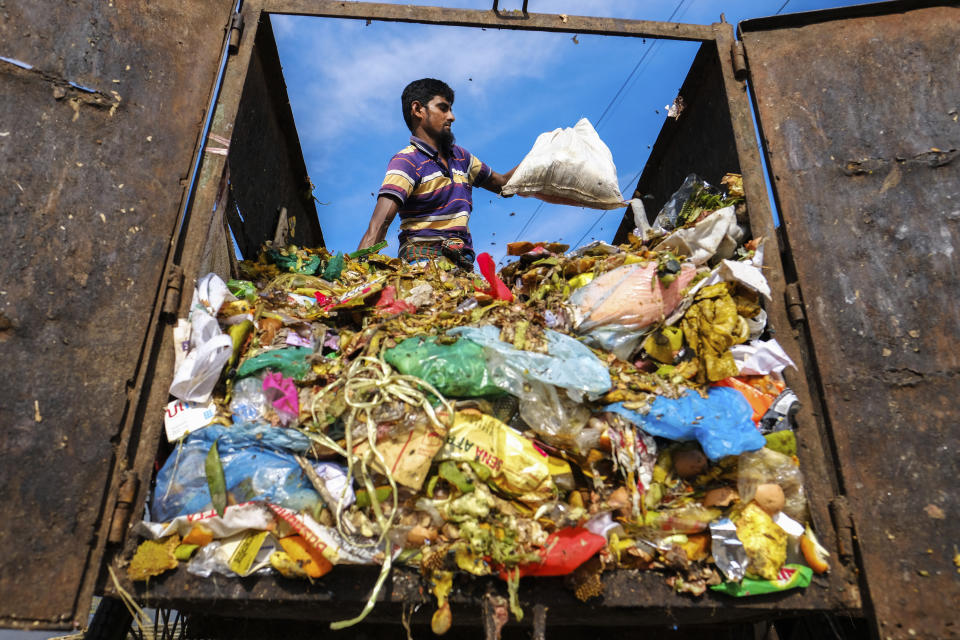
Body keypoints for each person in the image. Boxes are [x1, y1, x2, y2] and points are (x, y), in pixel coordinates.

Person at [357, 78, 517, 268]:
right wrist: (356, 272)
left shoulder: (461, 158)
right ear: (418, 110)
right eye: (443, 108)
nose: (451, 117)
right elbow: (379, 225)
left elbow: (504, 185)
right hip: (423, 266)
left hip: (462, 267)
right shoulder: (407, 161)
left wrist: (545, 153)